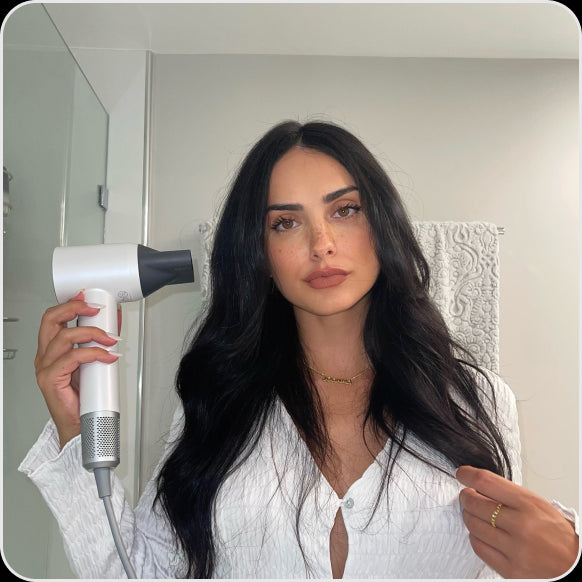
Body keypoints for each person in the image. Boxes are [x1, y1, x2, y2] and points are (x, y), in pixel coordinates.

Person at [23, 120, 578, 579]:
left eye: (345, 210)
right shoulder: (221, 403)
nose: (321, 244)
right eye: (286, 223)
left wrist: (566, 559)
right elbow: (136, 572)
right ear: (258, 251)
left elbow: (509, 557)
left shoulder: (475, 400)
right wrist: (76, 434)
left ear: (382, 224)